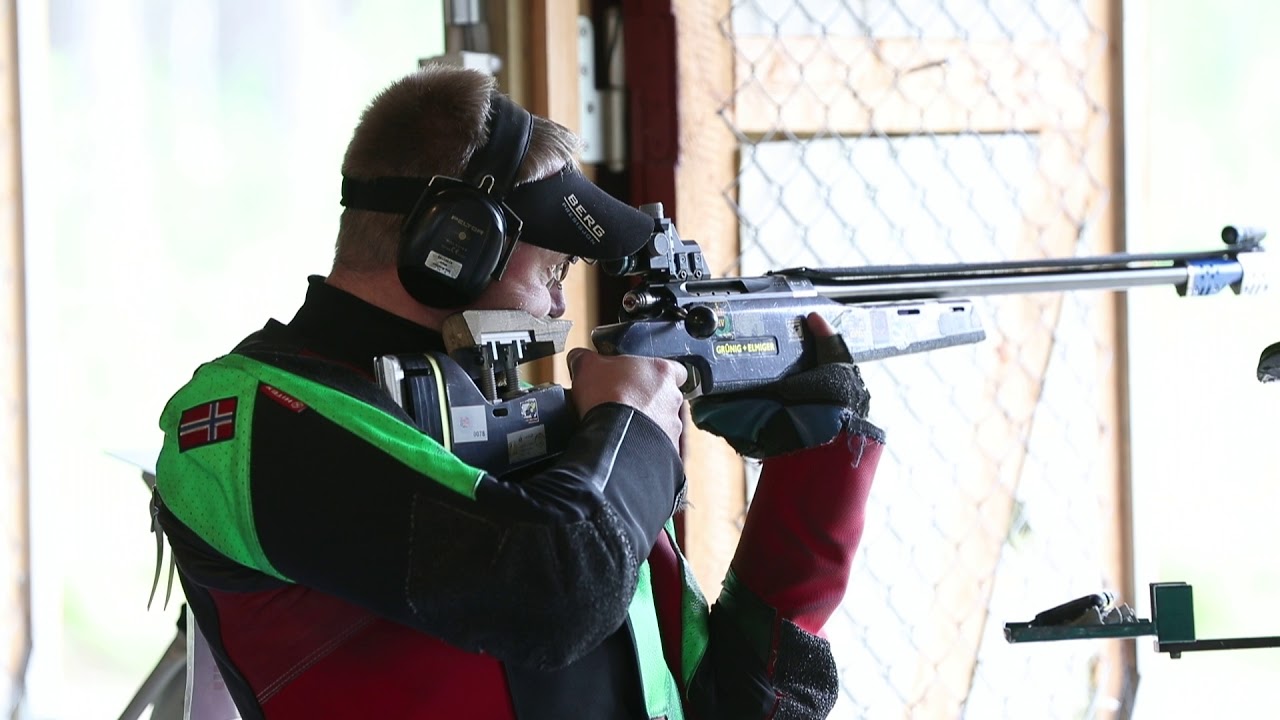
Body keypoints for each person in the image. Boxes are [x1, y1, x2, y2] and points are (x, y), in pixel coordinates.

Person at [152, 64, 886, 720]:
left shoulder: (559, 472)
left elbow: (743, 704)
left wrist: (814, 475)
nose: (561, 311)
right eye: (555, 272)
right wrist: (633, 426)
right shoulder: (238, 424)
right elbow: (554, 598)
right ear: (456, 247)